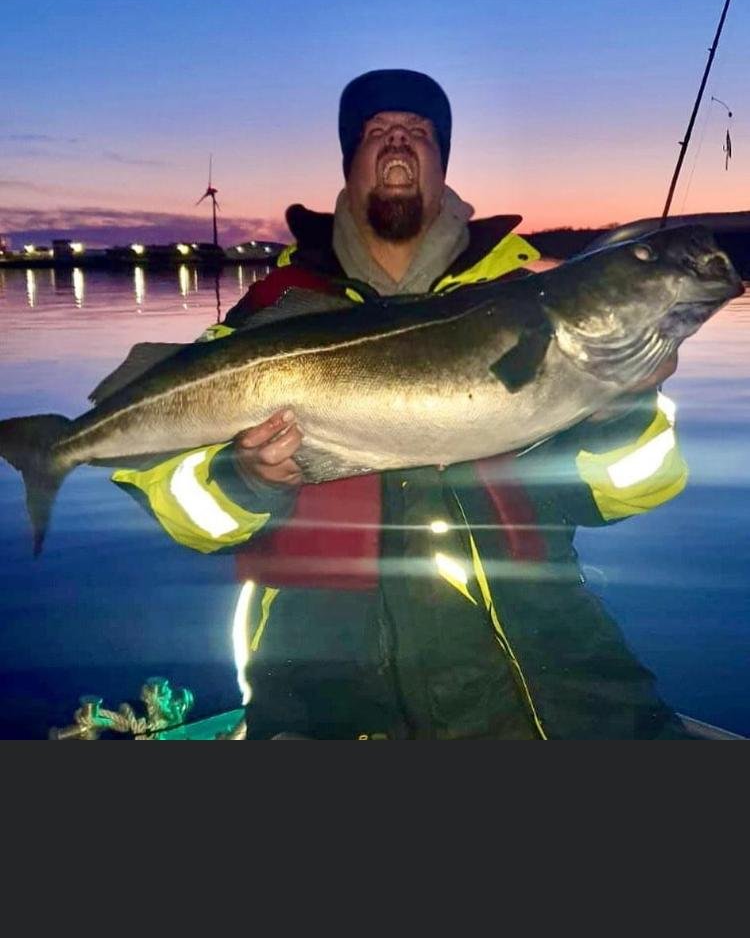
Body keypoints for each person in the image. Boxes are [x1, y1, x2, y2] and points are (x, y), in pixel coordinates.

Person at [113, 69, 692, 739]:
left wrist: (621, 406)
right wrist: (246, 477)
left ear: (442, 164)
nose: (397, 144)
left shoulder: (534, 304)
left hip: (546, 675)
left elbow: (628, 493)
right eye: (375, 133)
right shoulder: (269, 321)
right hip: (330, 695)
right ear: (350, 164)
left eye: (418, 132)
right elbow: (177, 504)